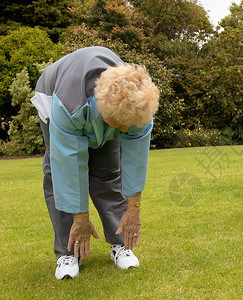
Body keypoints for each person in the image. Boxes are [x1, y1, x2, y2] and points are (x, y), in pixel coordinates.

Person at [31, 46, 160, 279]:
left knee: (109, 172)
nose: (123, 131)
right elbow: (68, 166)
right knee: (56, 173)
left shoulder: (138, 106)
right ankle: (67, 252)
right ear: (103, 113)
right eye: (120, 124)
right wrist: (80, 217)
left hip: (104, 110)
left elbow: (136, 159)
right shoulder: (68, 105)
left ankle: (120, 244)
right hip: (57, 98)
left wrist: (134, 209)